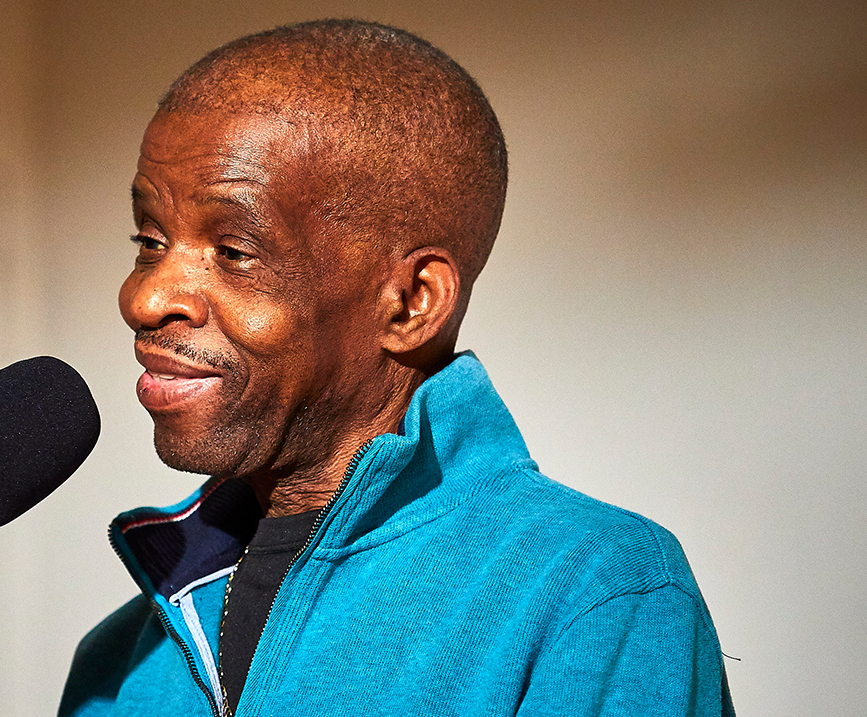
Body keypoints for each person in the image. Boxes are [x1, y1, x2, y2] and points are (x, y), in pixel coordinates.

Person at [60, 19, 733, 717]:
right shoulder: (116, 665)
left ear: (411, 302)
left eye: (234, 251)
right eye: (149, 240)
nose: (144, 299)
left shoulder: (595, 596)